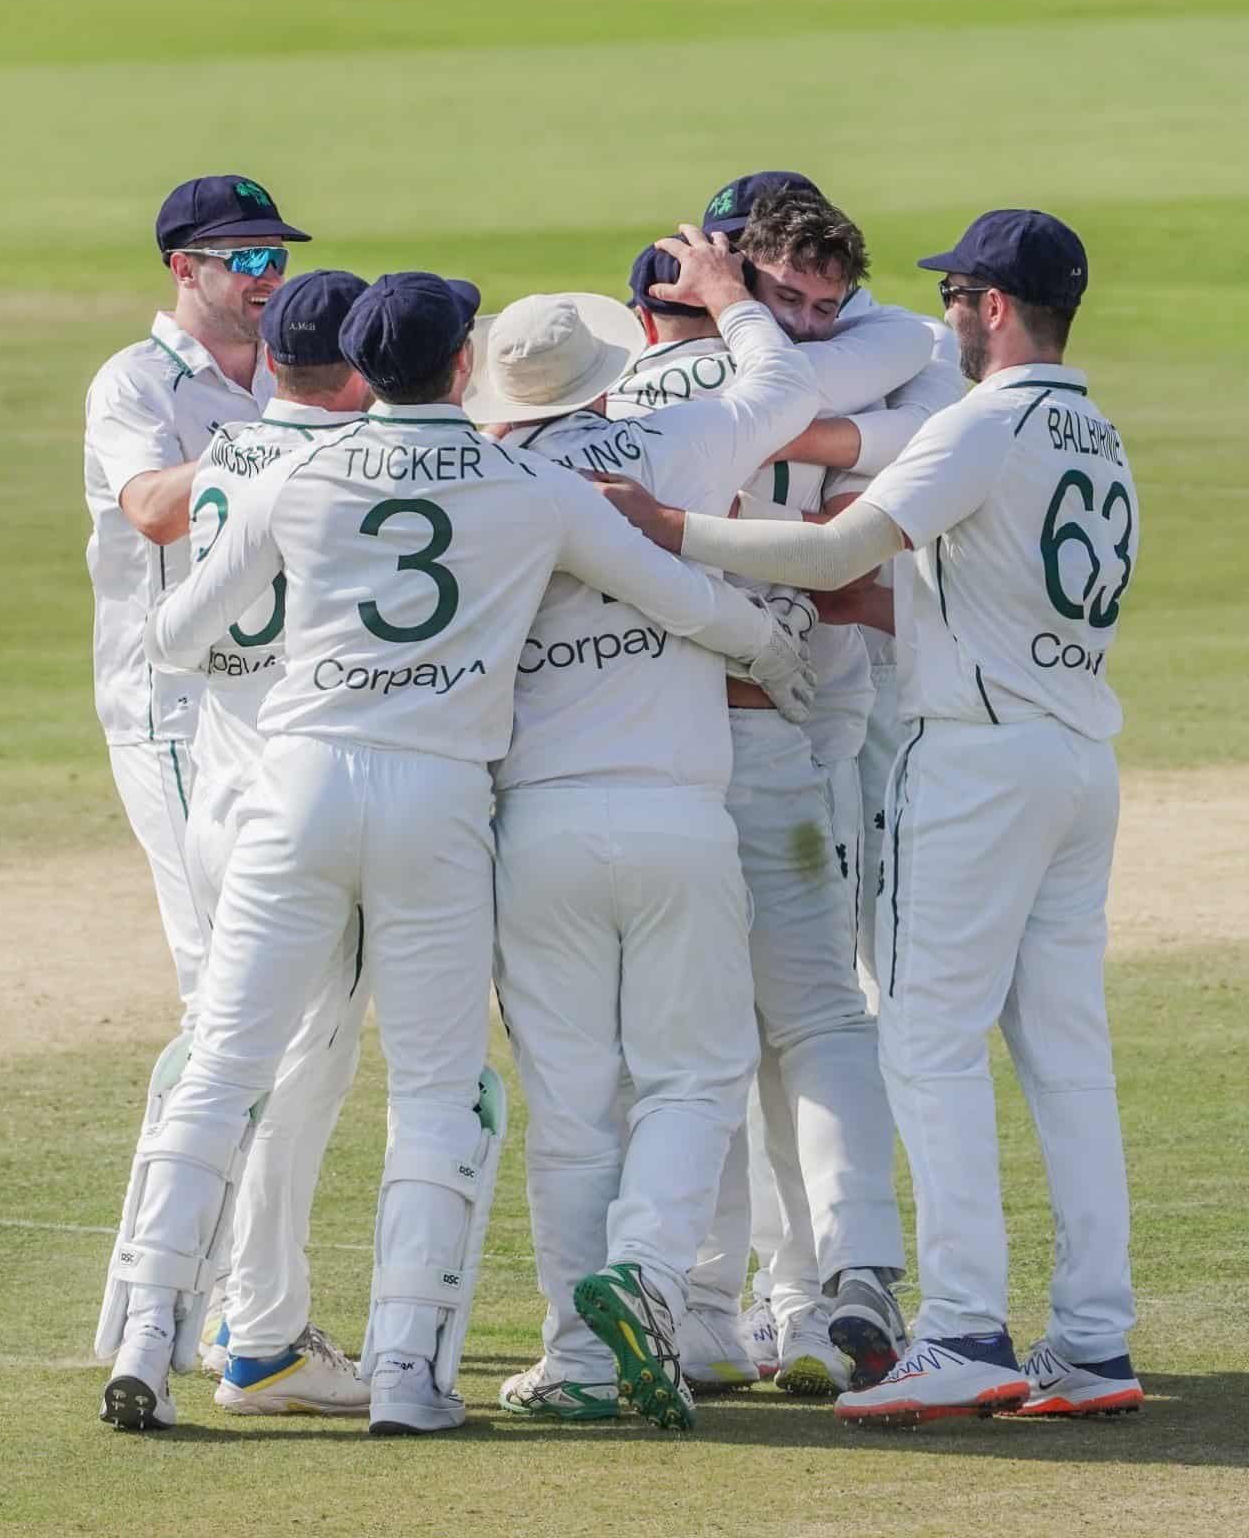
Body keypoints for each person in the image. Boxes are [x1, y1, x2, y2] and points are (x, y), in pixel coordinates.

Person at [94, 246, 817, 1436]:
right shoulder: (523, 488)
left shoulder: (296, 474)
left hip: (298, 784)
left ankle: (148, 1340)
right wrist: (779, 661)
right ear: (461, 364)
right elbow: (679, 597)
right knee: (437, 1091)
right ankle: (407, 1377)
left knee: (227, 1063)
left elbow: (173, 634)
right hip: (438, 800)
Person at [600, 208, 1144, 1424]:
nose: (943, 313)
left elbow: (846, 538)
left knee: (927, 1041)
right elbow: (955, 591)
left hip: (975, 762)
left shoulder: (979, 422)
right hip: (1075, 755)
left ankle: (960, 1327)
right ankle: (1094, 1339)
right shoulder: (1094, 433)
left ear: (993, 307)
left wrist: (668, 527)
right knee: (1065, 1050)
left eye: (956, 292)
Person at [462, 265, 821, 1427]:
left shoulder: (488, 483)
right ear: (610, 374)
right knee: (694, 1075)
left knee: (571, 1103)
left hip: (536, 824)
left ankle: (576, 1354)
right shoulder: (667, 444)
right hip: (674, 811)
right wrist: (729, 294)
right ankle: (652, 1279)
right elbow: (782, 382)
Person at [610, 182, 946, 1397]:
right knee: (735, 1028)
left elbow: (893, 378)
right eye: (783, 298)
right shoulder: (779, 366)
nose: (806, 322)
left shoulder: (896, 359)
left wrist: (747, 389)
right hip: (707, 729)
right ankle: (772, 1297)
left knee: (792, 1015)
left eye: (824, 302)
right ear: (735, 276)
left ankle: (808, 1293)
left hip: (817, 723)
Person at [180, 270, 375, 1416]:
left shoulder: (233, 451)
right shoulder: (332, 474)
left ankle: (210, 1305)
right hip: (297, 814)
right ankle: (261, 1337)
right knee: (297, 1080)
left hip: (222, 792)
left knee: (234, 1068)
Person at [83, 174, 309, 1027]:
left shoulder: (289, 370)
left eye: (277, 256)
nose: (269, 275)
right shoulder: (135, 383)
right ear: (184, 267)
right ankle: (181, 1162)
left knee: (286, 959)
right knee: (218, 976)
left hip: (271, 696)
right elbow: (150, 510)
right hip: (170, 704)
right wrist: (274, 446)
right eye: (246, 257)